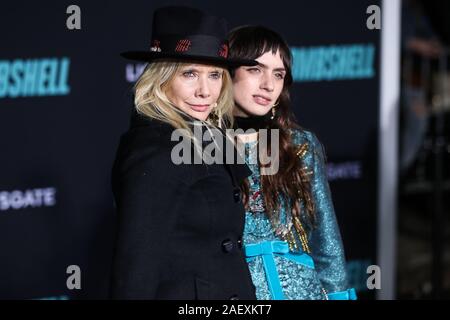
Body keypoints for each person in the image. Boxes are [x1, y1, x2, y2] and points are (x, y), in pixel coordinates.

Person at [109, 6, 258, 299]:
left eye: (215, 75)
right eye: (189, 74)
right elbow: (135, 271)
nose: (205, 91)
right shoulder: (154, 151)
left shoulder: (208, 137)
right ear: (162, 80)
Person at [227, 25, 357, 300]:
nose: (268, 84)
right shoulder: (200, 146)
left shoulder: (299, 145)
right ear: (228, 71)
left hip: (302, 292)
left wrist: (339, 295)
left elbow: (326, 238)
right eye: (255, 69)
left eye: (278, 74)